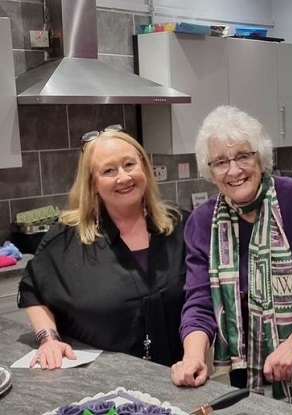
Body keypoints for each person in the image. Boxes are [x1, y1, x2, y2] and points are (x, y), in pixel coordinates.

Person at [171, 105, 292, 413]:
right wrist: (193, 356)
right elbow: (199, 299)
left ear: (261, 157)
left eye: (243, 156)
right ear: (210, 171)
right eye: (220, 161)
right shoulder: (201, 221)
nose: (233, 170)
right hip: (244, 368)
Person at [18, 126, 187, 369]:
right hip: (101, 386)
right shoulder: (67, 240)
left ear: (144, 168)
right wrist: (48, 339)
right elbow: (31, 289)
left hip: (176, 380)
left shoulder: (179, 226)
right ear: (93, 184)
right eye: (109, 170)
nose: (124, 177)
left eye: (129, 164)